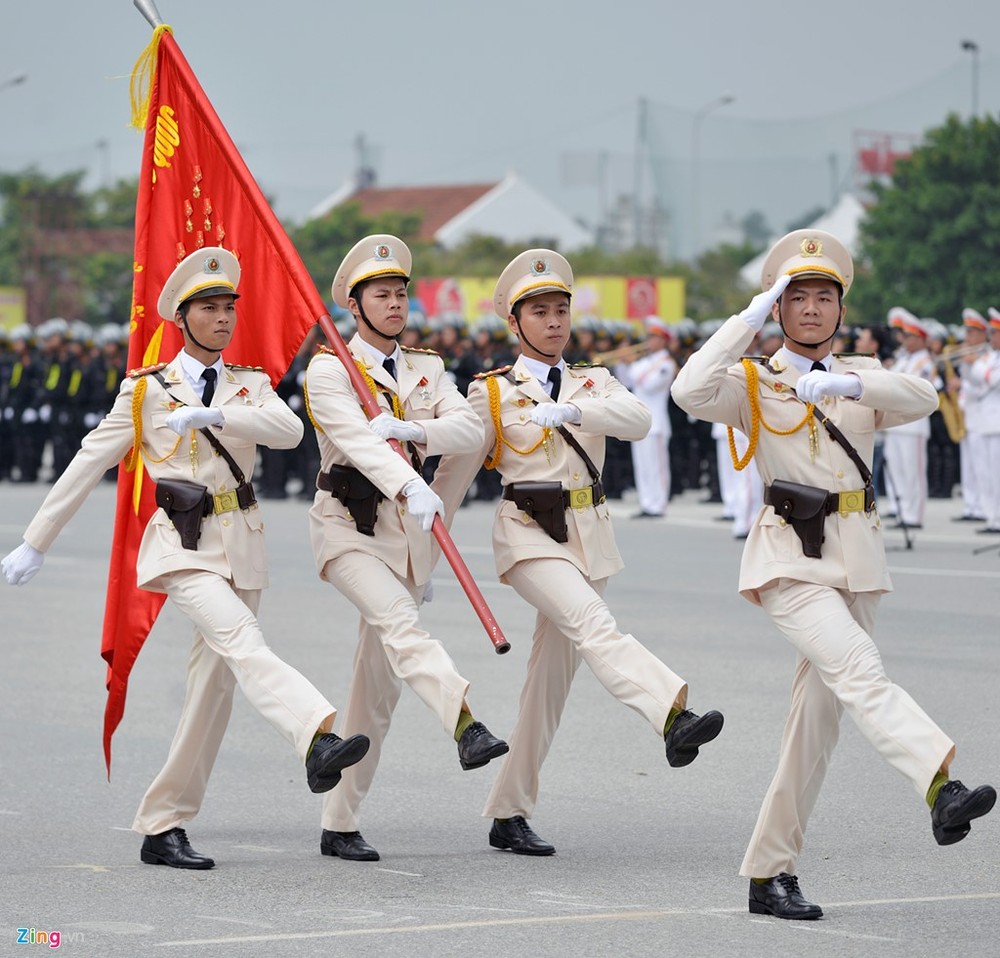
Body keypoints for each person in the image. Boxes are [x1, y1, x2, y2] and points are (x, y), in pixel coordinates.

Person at [1, 248, 370, 870]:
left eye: (229, 307)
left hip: (243, 543)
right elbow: (89, 461)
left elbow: (289, 432)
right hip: (184, 544)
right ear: (181, 316)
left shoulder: (249, 383)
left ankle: (162, 823)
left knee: (212, 692)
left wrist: (222, 412)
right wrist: (36, 539)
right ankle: (317, 733)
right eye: (209, 308)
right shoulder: (147, 391)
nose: (223, 318)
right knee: (243, 639)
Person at [671, 229, 996, 920]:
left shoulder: (862, 377)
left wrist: (849, 380)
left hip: (858, 560)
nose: (812, 309)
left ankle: (769, 872)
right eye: (797, 298)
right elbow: (688, 389)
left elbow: (922, 396)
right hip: (789, 558)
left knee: (814, 729)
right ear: (780, 309)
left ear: (840, 311)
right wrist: (745, 321)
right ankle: (940, 786)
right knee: (860, 668)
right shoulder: (754, 381)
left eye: (824, 297)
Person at [433, 249, 725, 856]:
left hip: (588, 537)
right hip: (527, 535)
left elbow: (639, 420)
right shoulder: (490, 393)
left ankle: (508, 812)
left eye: (561, 309)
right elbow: (452, 480)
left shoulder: (595, 379)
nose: (554, 321)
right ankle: (671, 714)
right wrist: (423, 558)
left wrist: (573, 408)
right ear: (515, 324)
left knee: (547, 688)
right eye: (539, 311)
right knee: (596, 626)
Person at [303, 235, 508, 863]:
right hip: (348, 530)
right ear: (354, 306)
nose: (394, 304)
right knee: (399, 622)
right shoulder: (330, 369)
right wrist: (409, 479)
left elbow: (470, 428)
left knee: (377, 690)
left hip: (408, 537)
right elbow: (357, 443)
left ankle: (339, 822)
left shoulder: (427, 368)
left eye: (399, 293)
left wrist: (415, 431)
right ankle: (465, 722)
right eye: (380, 295)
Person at [618, 315, 678, 518]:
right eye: (648, 336)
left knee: (657, 467)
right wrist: (623, 362)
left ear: (662, 339)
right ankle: (647, 502)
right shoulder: (644, 362)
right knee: (642, 466)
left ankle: (658, 504)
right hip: (640, 422)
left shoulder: (666, 363)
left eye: (653, 337)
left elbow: (649, 384)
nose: (649, 341)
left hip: (657, 423)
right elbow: (625, 381)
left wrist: (632, 363)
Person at [882, 308, 936, 529]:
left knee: (913, 472)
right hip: (896, 424)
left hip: (914, 425)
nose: (906, 340)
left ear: (921, 339)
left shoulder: (925, 362)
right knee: (898, 469)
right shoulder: (903, 358)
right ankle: (902, 510)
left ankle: (914, 515)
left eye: (911, 336)